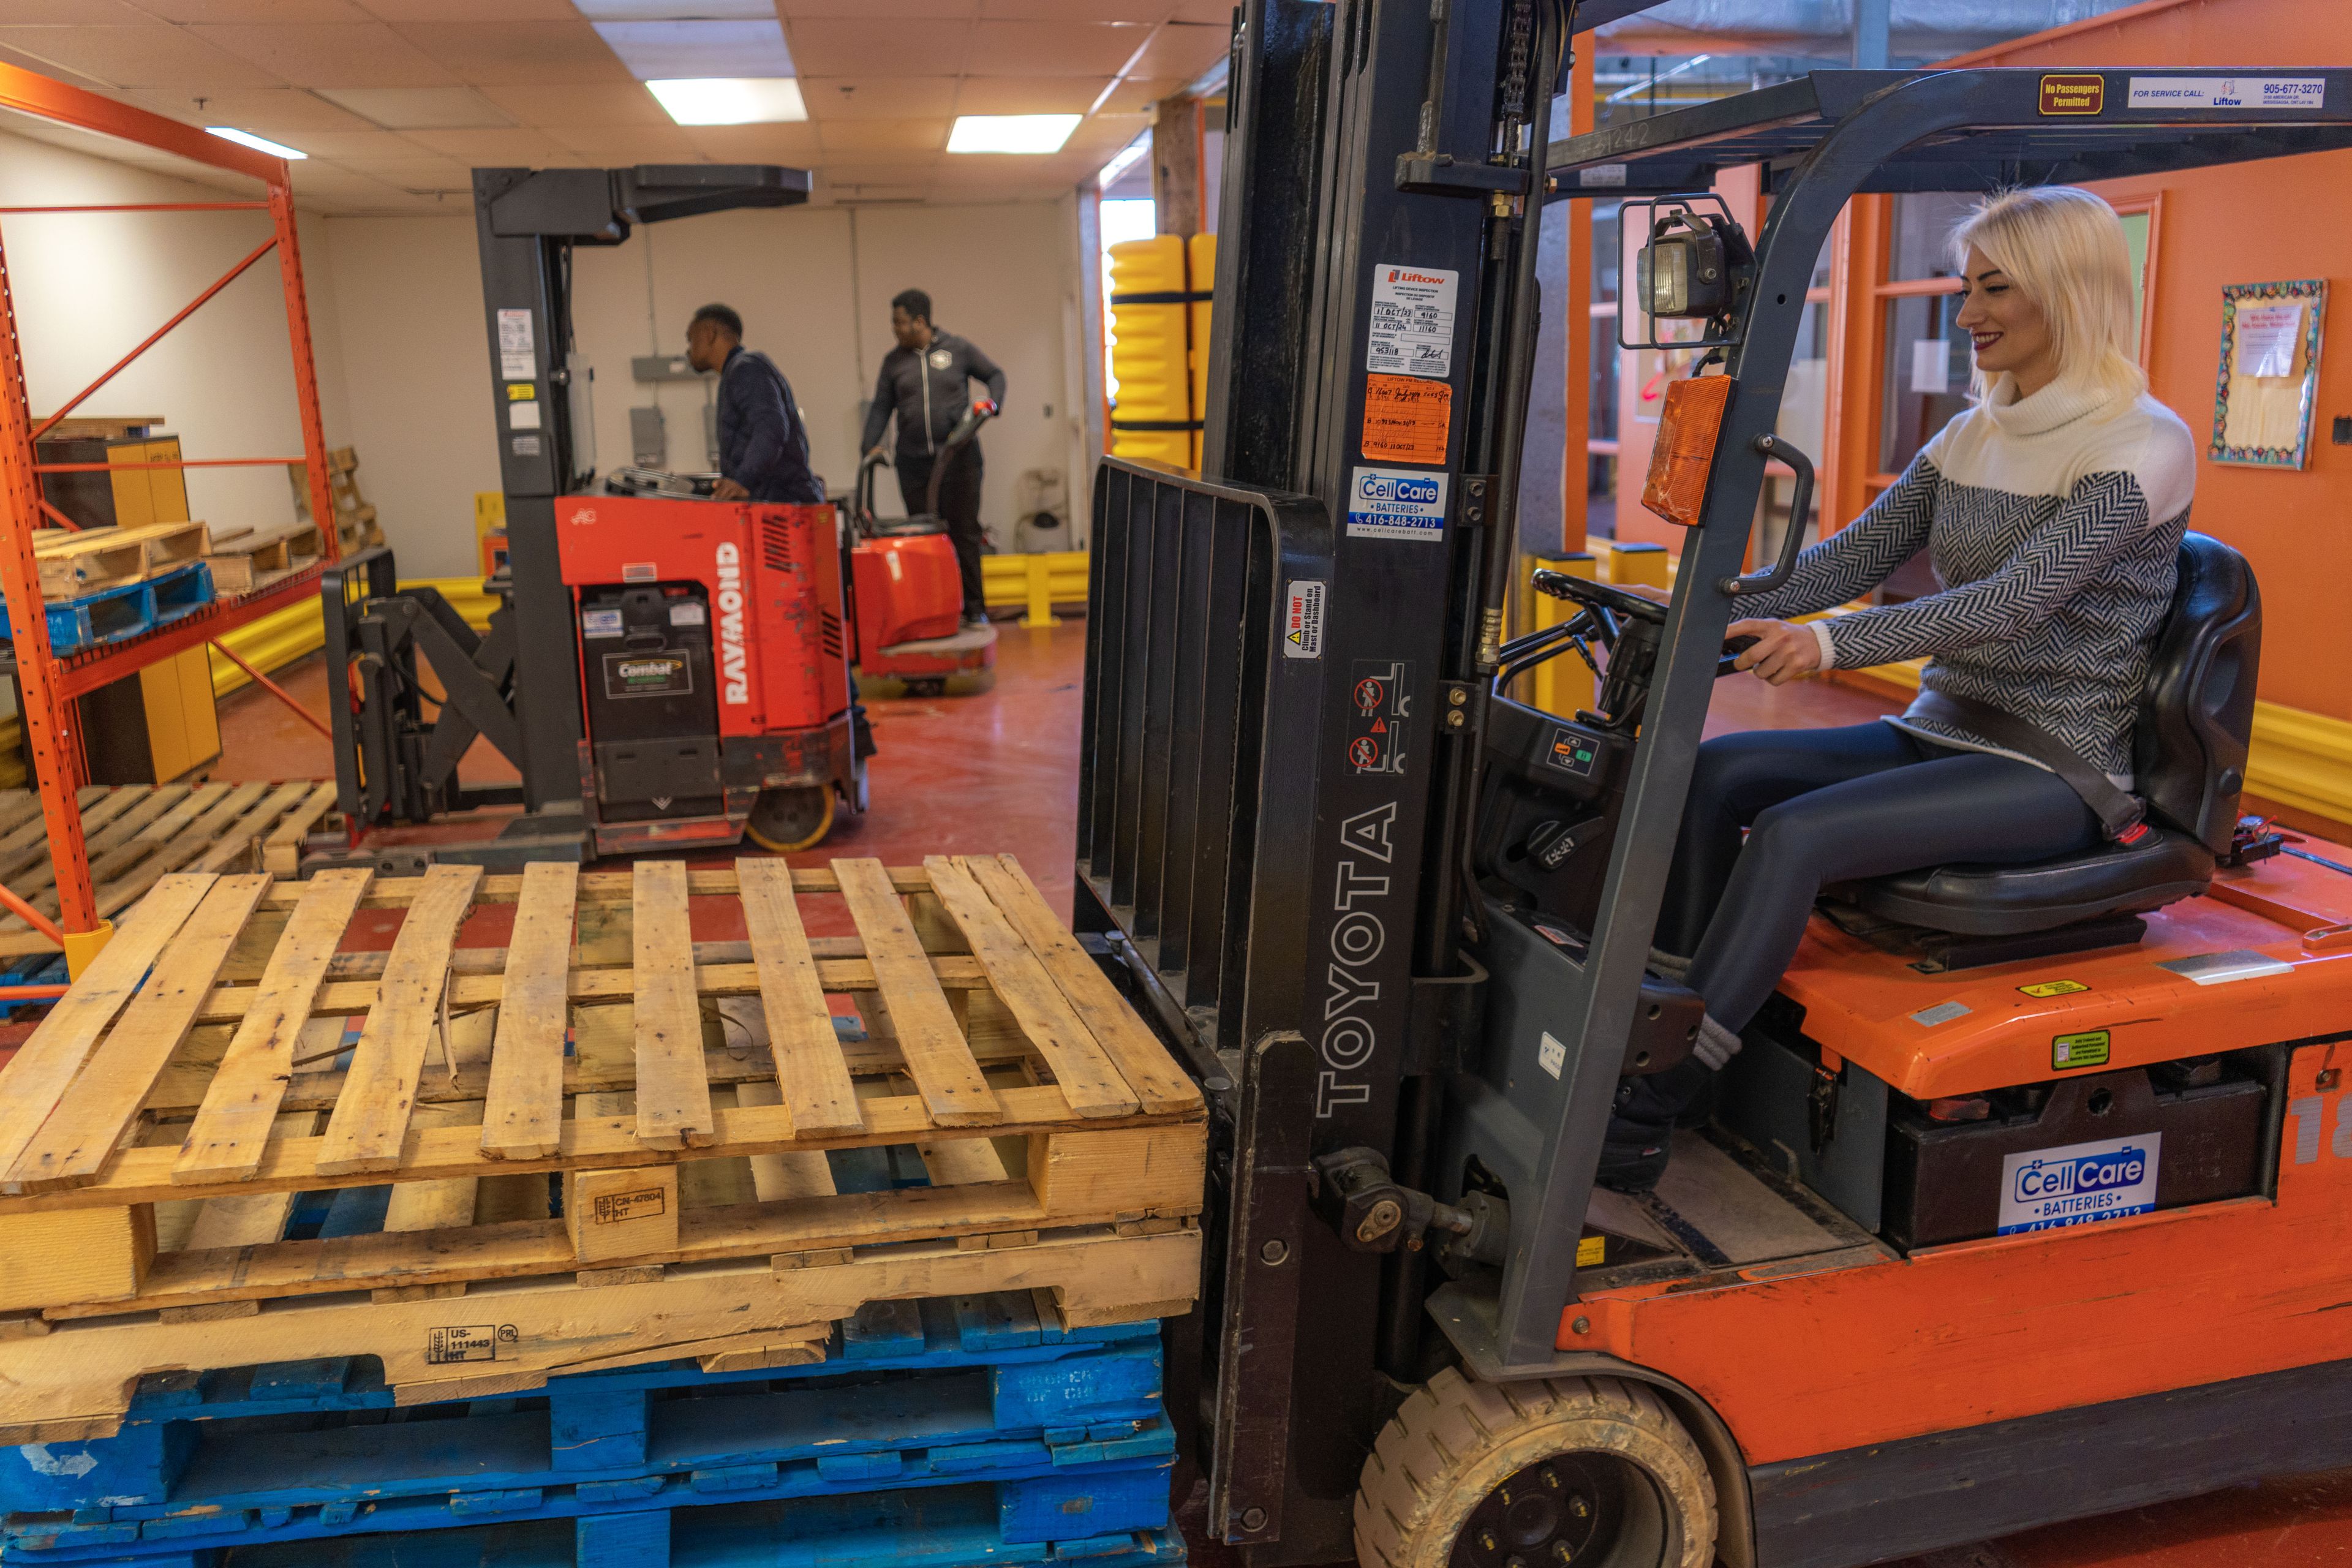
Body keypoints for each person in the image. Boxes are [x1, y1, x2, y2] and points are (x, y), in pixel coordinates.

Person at [1602, 185, 2196, 1193]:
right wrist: (1702, 604)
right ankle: (1658, 1019)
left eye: (1995, 289)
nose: (1967, 314)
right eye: (1968, 287)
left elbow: (2012, 604)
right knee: (1715, 775)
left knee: (1799, 834)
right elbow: (1852, 556)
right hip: (1947, 725)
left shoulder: (2140, 443)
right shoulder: (1978, 431)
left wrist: (1831, 646)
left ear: (2067, 291)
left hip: (2053, 762)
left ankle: (1650, 1105)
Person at [861, 288, 1006, 629]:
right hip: (913, 465)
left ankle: (974, 610)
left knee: (964, 533)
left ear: (920, 321)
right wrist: (869, 445)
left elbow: (995, 376)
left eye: (899, 322)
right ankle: (937, 612)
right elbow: (882, 406)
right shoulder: (894, 362)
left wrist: (993, 404)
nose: (894, 329)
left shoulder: (958, 349)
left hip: (960, 461)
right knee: (924, 540)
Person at [684, 303, 823, 505]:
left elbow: (771, 427)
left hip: (781, 506)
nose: (689, 351)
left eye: (691, 339)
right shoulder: (739, 371)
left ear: (708, 333)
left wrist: (742, 482)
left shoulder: (746, 368)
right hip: (776, 502)